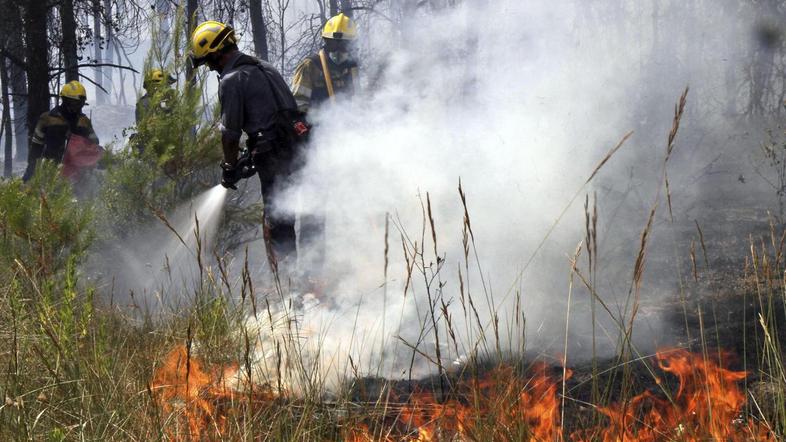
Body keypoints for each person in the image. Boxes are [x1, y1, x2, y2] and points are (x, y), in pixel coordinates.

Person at [190, 20, 305, 267]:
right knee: (291, 211)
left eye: (209, 61)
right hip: (298, 147)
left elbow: (230, 134)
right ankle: (302, 271)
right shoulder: (265, 67)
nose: (210, 67)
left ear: (217, 53)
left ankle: (287, 279)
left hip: (273, 155)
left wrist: (229, 167)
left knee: (276, 218)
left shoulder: (231, 80)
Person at [23, 81, 100, 182]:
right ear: (65, 100)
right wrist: (30, 171)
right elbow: (36, 146)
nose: (77, 107)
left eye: (80, 104)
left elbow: (94, 144)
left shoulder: (83, 121)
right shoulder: (47, 119)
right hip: (51, 172)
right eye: (75, 103)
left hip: (77, 173)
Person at [291, 13, 360, 113]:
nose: (338, 49)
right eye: (334, 43)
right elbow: (298, 103)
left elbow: (358, 99)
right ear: (326, 41)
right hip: (315, 121)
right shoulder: (310, 65)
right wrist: (312, 120)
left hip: (346, 121)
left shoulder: (352, 67)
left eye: (344, 44)